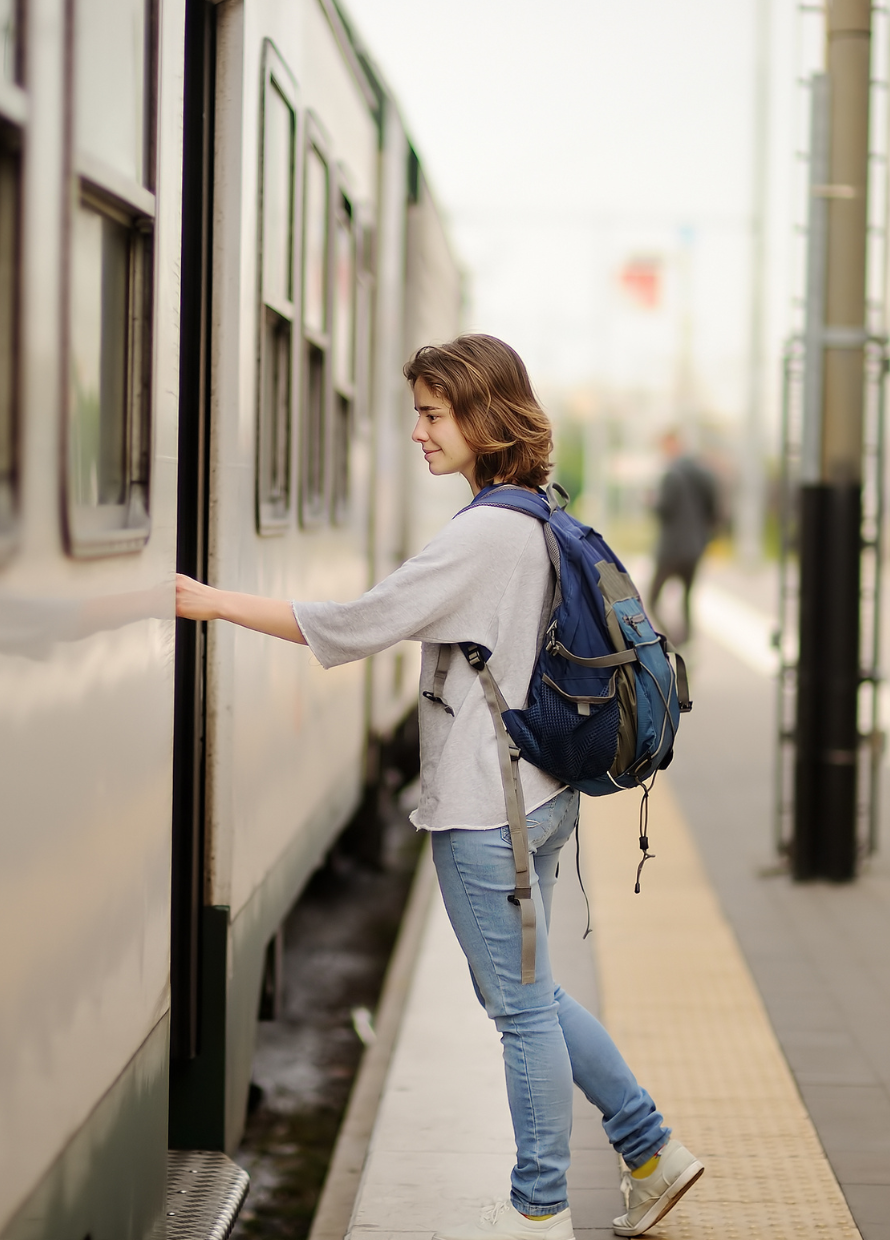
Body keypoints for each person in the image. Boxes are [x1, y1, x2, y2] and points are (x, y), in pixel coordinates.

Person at [176, 335, 703, 1240]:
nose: (416, 432)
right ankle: (651, 1150)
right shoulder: (536, 513)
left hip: (483, 808)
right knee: (534, 997)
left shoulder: (484, 536)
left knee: (519, 1014)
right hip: (540, 797)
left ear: (481, 417)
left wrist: (210, 601)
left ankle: (537, 1215)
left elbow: (354, 624)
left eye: (431, 414)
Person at [647, 430, 719, 644]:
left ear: (671, 445)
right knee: (687, 599)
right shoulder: (701, 472)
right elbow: (713, 506)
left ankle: (672, 640)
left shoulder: (671, 474)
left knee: (652, 600)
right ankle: (685, 642)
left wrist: (652, 501)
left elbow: (664, 509)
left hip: (671, 549)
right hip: (695, 547)